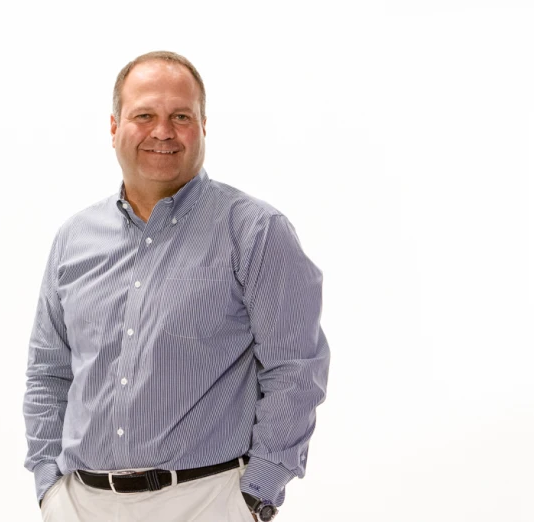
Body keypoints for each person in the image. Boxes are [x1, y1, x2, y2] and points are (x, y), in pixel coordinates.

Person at [23, 50, 330, 522]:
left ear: (204, 126)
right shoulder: (74, 238)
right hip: (80, 505)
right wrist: (49, 486)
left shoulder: (254, 231)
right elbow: (49, 372)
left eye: (180, 116)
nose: (162, 132)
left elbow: (296, 372)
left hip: (206, 502)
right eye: (144, 114)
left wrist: (254, 496)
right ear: (113, 126)